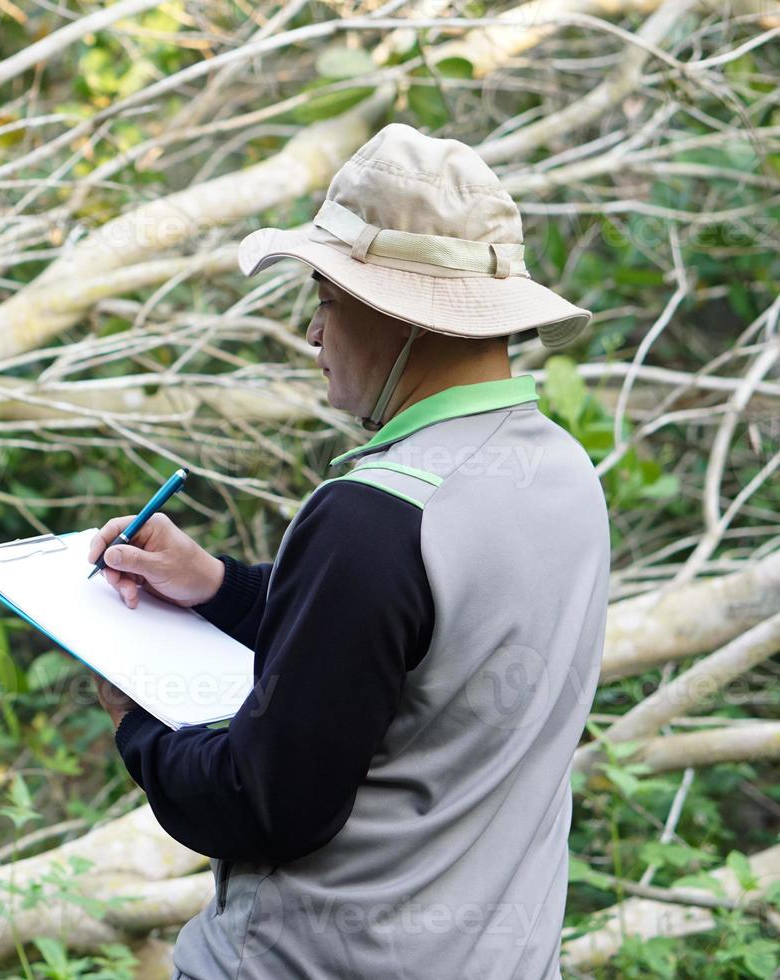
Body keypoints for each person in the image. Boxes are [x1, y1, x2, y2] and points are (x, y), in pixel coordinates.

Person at [86, 123, 611, 979]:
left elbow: (265, 805)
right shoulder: (559, 473)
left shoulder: (375, 515)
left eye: (324, 301)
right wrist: (217, 586)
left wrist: (135, 720)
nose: (313, 336)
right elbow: (410, 651)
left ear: (394, 314)